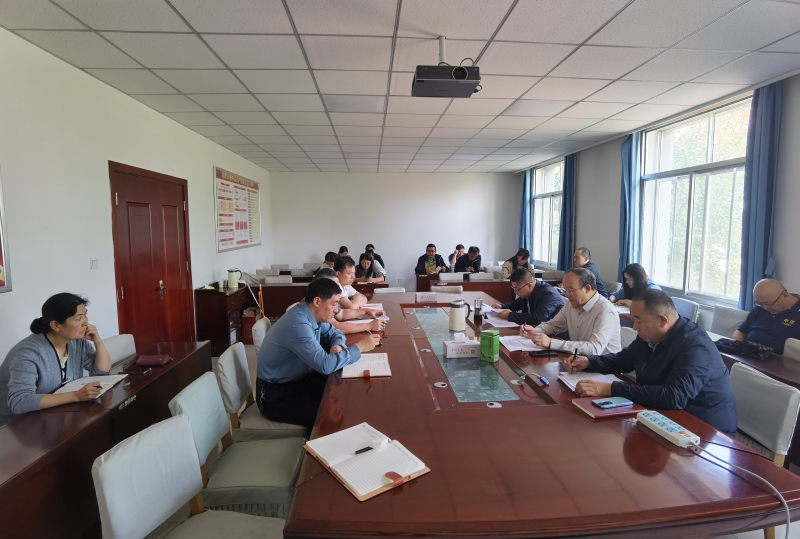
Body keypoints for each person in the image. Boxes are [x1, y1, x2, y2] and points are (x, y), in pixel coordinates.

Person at [566, 289, 737, 435]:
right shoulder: (651, 334)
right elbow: (624, 359)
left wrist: (610, 389)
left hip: (704, 431)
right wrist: (589, 362)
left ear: (662, 320)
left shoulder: (696, 347)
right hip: (662, 416)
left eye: (638, 321)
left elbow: (673, 397)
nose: (635, 327)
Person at [256, 278, 380, 428]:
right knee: (330, 417)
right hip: (274, 395)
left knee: (343, 394)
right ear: (317, 302)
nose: (337, 310)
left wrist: (337, 346)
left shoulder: (312, 315)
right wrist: (359, 347)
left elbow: (336, 333)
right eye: (334, 304)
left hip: (298, 380)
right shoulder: (297, 324)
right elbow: (325, 366)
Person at [0, 293, 111, 427]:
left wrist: (98, 341)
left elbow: (101, 371)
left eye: (85, 315)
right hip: (16, 425)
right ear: (56, 325)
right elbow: (19, 402)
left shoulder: (77, 342)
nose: (86, 323)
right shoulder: (28, 353)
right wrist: (76, 396)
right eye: (78, 318)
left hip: (56, 415)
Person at [521, 267, 621, 355]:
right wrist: (536, 331)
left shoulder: (605, 311)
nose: (567, 295)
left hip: (604, 367)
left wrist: (551, 343)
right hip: (578, 361)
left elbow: (594, 348)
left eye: (570, 290)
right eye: (565, 290)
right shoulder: (572, 303)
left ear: (587, 288)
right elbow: (554, 325)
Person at [734, 279, 800, 354]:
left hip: (775, 359)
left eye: (768, 304)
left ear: (785, 295)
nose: (765, 308)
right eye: (760, 304)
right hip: (746, 353)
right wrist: (737, 347)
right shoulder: (761, 307)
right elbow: (741, 331)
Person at [315, 268, 386, 334]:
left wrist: (367, 311)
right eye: (333, 287)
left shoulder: (328, 300)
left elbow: (342, 314)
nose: (337, 291)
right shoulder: (320, 304)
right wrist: (369, 326)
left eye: (337, 286)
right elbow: (338, 327)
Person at [491, 268, 564, 325]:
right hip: (536, 329)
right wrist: (501, 306)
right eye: (513, 288)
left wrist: (509, 315)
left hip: (556, 335)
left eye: (517, 289)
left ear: (529, 286)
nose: (515, 292)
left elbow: (538, 318)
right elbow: (517, 304)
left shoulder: (548, 294)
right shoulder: (528, 292)